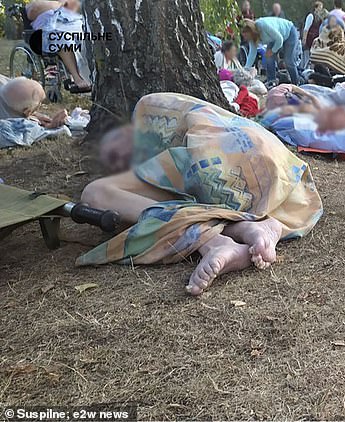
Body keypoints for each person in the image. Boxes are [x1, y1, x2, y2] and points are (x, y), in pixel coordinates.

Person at [83, 93, 323, 296]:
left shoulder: (149, 123)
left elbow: (172, 173)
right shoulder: (194, 108)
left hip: (217, 160)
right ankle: (248, 227)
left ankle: (217, 239)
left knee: (97, 193)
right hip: (280, 168)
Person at [26, 0, 91, 91]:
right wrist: (58, 4)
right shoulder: (35, 4)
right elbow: (31, 12)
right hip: (48, 29)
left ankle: (90, 75)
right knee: (62, 38)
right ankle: (77, 78)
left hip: (73, 23)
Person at [242, 18, 300, 85]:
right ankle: (271, 82)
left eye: (246, 35)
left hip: (289, 32)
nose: (245, 38)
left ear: (251, 31)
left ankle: (296, 83)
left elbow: (279, 39)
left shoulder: (262, 25)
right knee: (268, 58)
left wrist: (272, 51)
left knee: (288, 61)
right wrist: (245, 70)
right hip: (274, 39)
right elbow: (252, 54)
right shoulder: (252, 38)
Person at [0, 77, 67, 128]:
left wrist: (35, 114)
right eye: (39, 104)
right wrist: (51, 126)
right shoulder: (8, 124)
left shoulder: (5, 83)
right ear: (27, 111)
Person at [302, 1, 328, 68]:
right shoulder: (311, 16)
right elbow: (306, 28)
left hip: (314, 41)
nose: (321, 10)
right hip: (309, 39)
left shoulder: (319, 18)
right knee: (307, 58)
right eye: (320, 8)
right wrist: (304, 39)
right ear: (315, 8)